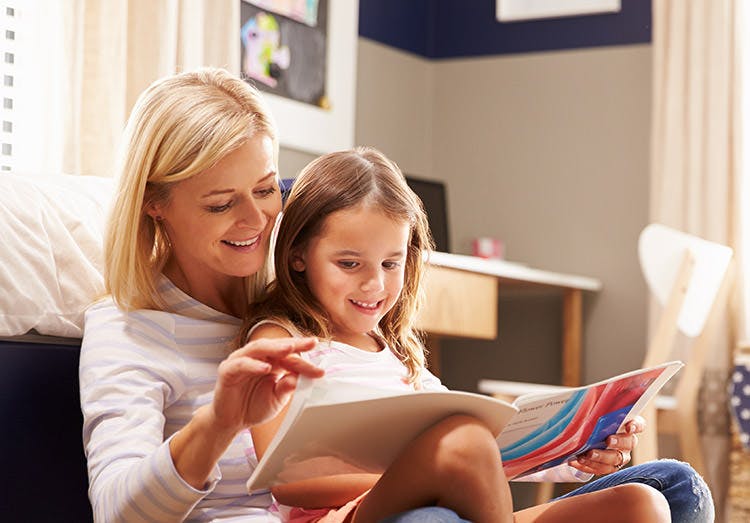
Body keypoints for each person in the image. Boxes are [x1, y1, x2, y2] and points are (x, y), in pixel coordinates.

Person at [78, 67, 713, 523]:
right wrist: (219, 422)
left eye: (268, 190)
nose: (257, 222)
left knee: (668, 490)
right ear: (154, 204)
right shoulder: (132, 331)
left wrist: (571, 449)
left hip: (412, 494)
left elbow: (456, 440)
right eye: (221, 203)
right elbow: (119, 512)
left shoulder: (308, 301)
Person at [241, 146, 711, 522]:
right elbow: (284, 480)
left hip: (454, 501)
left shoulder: (398, 351)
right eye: (349, 264)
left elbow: (490, 457)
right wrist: (424, 469)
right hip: (352, 516)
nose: (375, 284)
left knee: (660, 494)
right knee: (446, 481)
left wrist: (577, 450)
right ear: (298, 254)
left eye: (391, 263)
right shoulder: (279, 338)